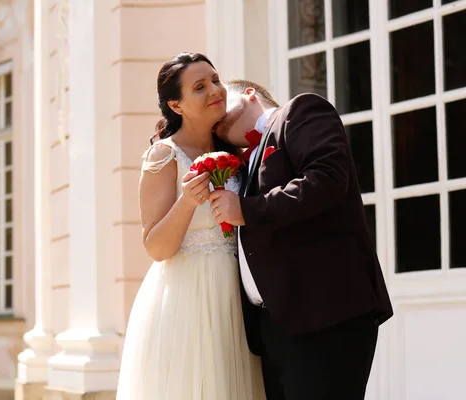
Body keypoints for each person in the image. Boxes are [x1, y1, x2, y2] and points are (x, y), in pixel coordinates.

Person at [210, 80, 394, 400]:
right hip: (273, 327)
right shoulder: (240, 164)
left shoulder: (300, 111)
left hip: (324, 314)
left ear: (249, 94)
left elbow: (327, 178)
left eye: (223, 97)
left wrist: (247, 210)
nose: (215, 110)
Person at [115, 55, 265, 400]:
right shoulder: (164, 156)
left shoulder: (237, 151)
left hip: (237, 298)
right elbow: (156, 247)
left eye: (215, 80)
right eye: (200, 87)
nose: (215, 90)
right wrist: (187, 202)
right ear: (176, 105)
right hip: (188, 299)